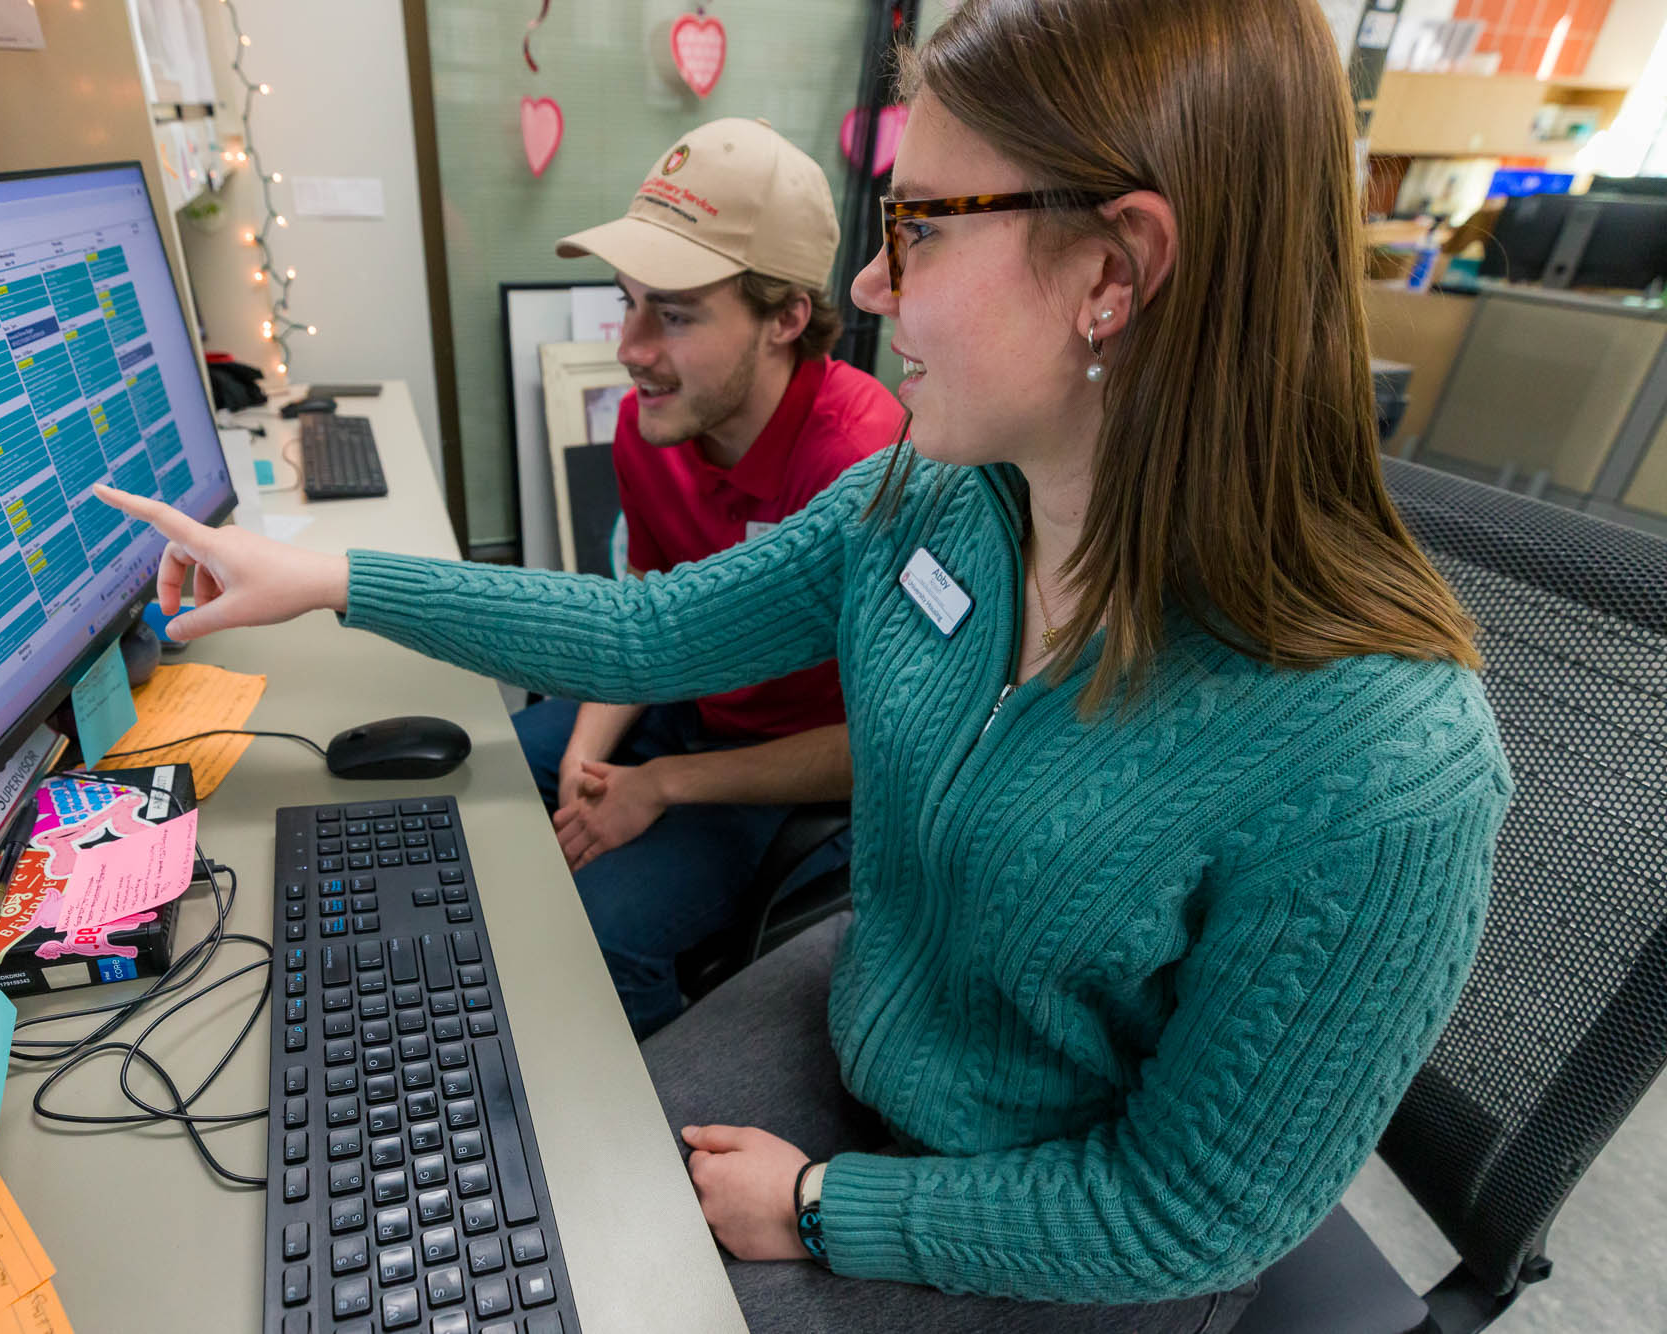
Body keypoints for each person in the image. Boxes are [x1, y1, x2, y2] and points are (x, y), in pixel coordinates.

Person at [96, 0, 1512, 1329]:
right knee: (534, 1207)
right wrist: (330, 578)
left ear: (1113, 273)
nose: (873, 282)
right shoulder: (939, 503)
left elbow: (1184, 1214)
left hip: (1066, 1235)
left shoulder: (1381, 761)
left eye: (924, 231)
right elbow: (644, 633)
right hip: (886, 1022)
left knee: (614, 1292)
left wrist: (830, 1204)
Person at [520, 117, 904, 1038]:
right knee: (487, 776)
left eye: (676, 314)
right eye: (628, 303)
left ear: (785, 316)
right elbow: (646, 618)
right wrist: (588, 755)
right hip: (687, 705)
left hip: (805, 772)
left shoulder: (868, 464)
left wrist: (664, 786)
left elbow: (890, 745)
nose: (631, 348)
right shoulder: (653, 424)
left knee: (600, 932)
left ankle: (654, 1130)